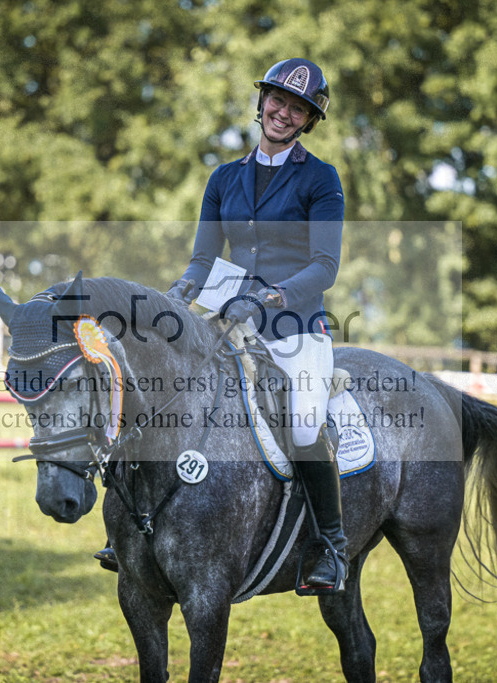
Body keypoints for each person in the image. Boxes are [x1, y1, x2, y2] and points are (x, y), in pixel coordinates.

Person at [171, 57, 347, 593]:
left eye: (298, 108)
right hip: (229, 320)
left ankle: (332, 549)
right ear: (262, 101)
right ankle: (137, 527)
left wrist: (267, 298)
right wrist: (176, 295)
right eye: (278, 101)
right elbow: (203, 260)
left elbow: (325, 266)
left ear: (308, 120)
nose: (284, 113)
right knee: (170, 392)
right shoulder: (224, 177)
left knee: (301, 424)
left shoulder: (320, 178)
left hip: (296, 328)